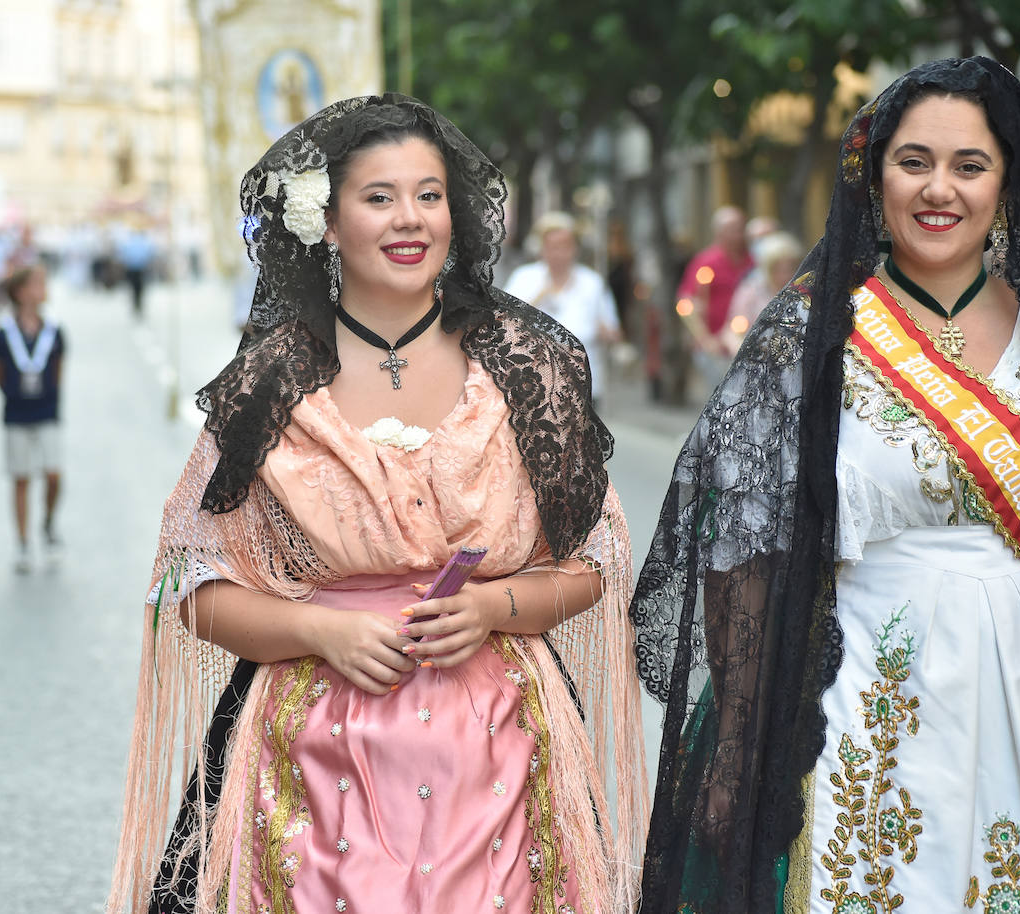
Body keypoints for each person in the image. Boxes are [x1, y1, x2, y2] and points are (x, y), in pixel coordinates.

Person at [632, 57, 1020, 912]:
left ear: (1009, 183)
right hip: (860, 694)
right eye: (914, 162)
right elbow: (738, 541)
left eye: (969, 166)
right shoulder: (811, 334)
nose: (938, 189)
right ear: (874, 176)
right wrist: (737, 742)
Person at [107, 94, 646, 914]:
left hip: (502, 750)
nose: (411, 219)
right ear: (326, 222)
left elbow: (593, 564)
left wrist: (496, 605)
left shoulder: (525, 366)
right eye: (379, 196)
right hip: (310, 761)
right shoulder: (270, 380)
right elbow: (194, 592)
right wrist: (320, 628)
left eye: (429, 195)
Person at [504, 212, 623, 406]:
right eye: (552, 247)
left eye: (564, 246)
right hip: (535, 385)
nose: (558, 253)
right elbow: (505, 324)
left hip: (583, 386)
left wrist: (606, 333)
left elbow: (614, 332)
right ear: (542, 248)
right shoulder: (524, 278)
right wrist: (539, 296)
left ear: (574, 248)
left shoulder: (592, 283)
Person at [0, 265, 64, 573]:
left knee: (52, 474)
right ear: (20, 292)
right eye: (36, 284)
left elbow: (59, 371)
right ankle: (22, 540)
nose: (42, 289)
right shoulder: (3, 334)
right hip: (16, 414)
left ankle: (47, 522)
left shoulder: (55, 331)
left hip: (47, 412)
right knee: (21, 477)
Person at [675, 206, 753, 387]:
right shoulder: (705, 262)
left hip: (744, 343)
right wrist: (704, 338)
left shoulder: (752, 261)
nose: (739, 235)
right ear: (719, 232)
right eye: (733, 230)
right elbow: (687, 302)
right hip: (712, 346)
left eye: (741, 229)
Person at [721, 231, 804, 354]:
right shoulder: (750, 291)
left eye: (790, 268)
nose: (784, 274)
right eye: (777, 268)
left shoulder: (803, 293)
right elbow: (732, 332)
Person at [116, 224, 156, 317]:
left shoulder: (128, 243)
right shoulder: (145, 242)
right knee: (141, 289)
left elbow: (122, 256)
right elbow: (151, 255)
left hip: (132, 269)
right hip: (141, 269)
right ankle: (139, 306)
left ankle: (136, 306)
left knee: (133, 289)